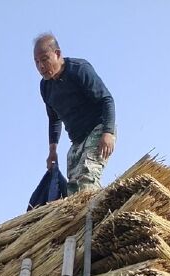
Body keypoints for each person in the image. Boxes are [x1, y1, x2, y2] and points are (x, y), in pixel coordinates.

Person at [34, 33, 116, 195]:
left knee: (87, 181)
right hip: (76, 142)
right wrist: (52, 150)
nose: (41, 66)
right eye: (36, 62)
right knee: (73, 191)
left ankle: (95, 217)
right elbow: (54, 119)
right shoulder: (45, 87)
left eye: (44, 59)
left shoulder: (78, 70)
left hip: (97, 130)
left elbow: (107, 99)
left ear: (57, 54)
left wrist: (108, 132)